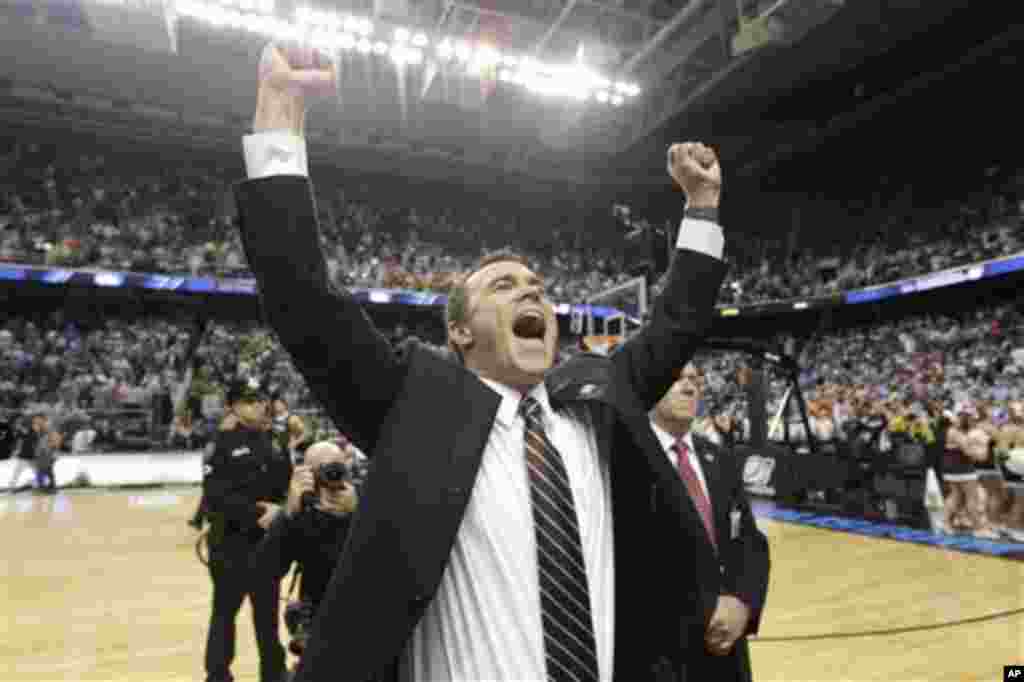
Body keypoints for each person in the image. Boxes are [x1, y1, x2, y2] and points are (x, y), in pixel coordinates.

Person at [235, 42, 727, 682]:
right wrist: (280, 112)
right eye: (503, 286)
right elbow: (302, 297)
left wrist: (702, 205)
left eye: (538, 287)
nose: (531, 293)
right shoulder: (415, 407)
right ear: (460, 332)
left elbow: (677, 322)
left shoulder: (599, 398)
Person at [644, 362, 770, 682]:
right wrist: (705, 610)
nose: (689, 387)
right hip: (663, 655)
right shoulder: (628, 458)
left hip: (727, 651)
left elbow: (751, 544)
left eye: (694, 379)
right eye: (676, 378)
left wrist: (743, 605)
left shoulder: (720, 458)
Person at [201, 376, 292, 682]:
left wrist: (282, 510)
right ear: (234, 406)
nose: (259, 406)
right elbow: (215, 497)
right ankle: (218, 674)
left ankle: (273, 674)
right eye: (250, 401)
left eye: (261, 400)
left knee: (267, 618)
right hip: (230, 543)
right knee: (224, 612)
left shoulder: (274, 440)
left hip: (266, 545)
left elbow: (286, 486)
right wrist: (257, 513)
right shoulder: (220, 443)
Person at [255, 441, 358, 664]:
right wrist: (288, 513)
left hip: (361, 625)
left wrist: (357, 515)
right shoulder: (303, 516)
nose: (332, 476)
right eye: (323, 470)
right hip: (317, 631)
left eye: (337, 468)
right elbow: (264, 573)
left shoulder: (367, 505)